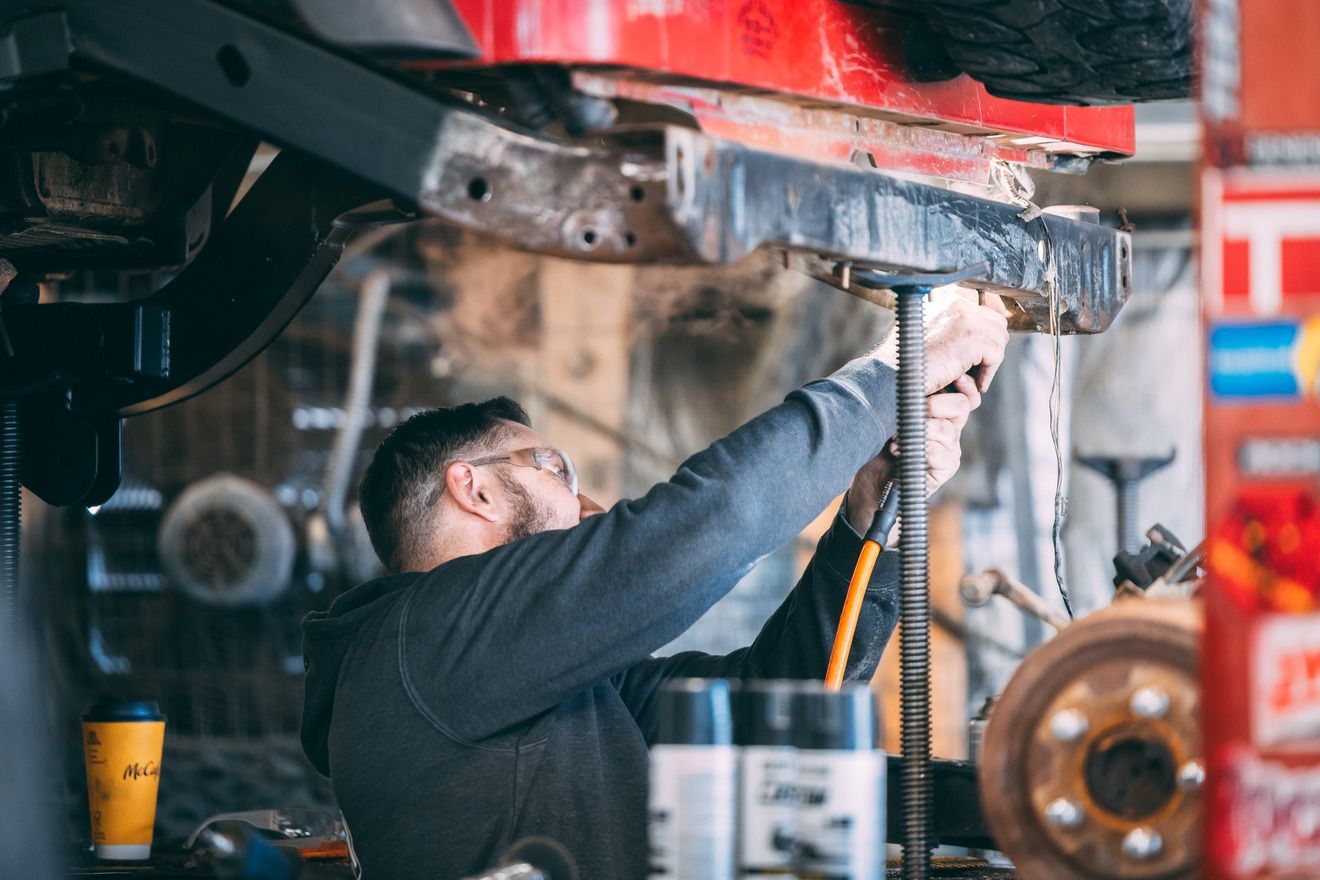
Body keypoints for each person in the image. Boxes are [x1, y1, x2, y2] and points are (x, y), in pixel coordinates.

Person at [300, 296, 1010, 879]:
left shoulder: (548, 691)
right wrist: (890, 376)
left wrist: (865, 511)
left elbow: (773, 707)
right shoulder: (417, 646)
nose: (591, 508)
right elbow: (705, 525)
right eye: (556, 469)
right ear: (475, 488)